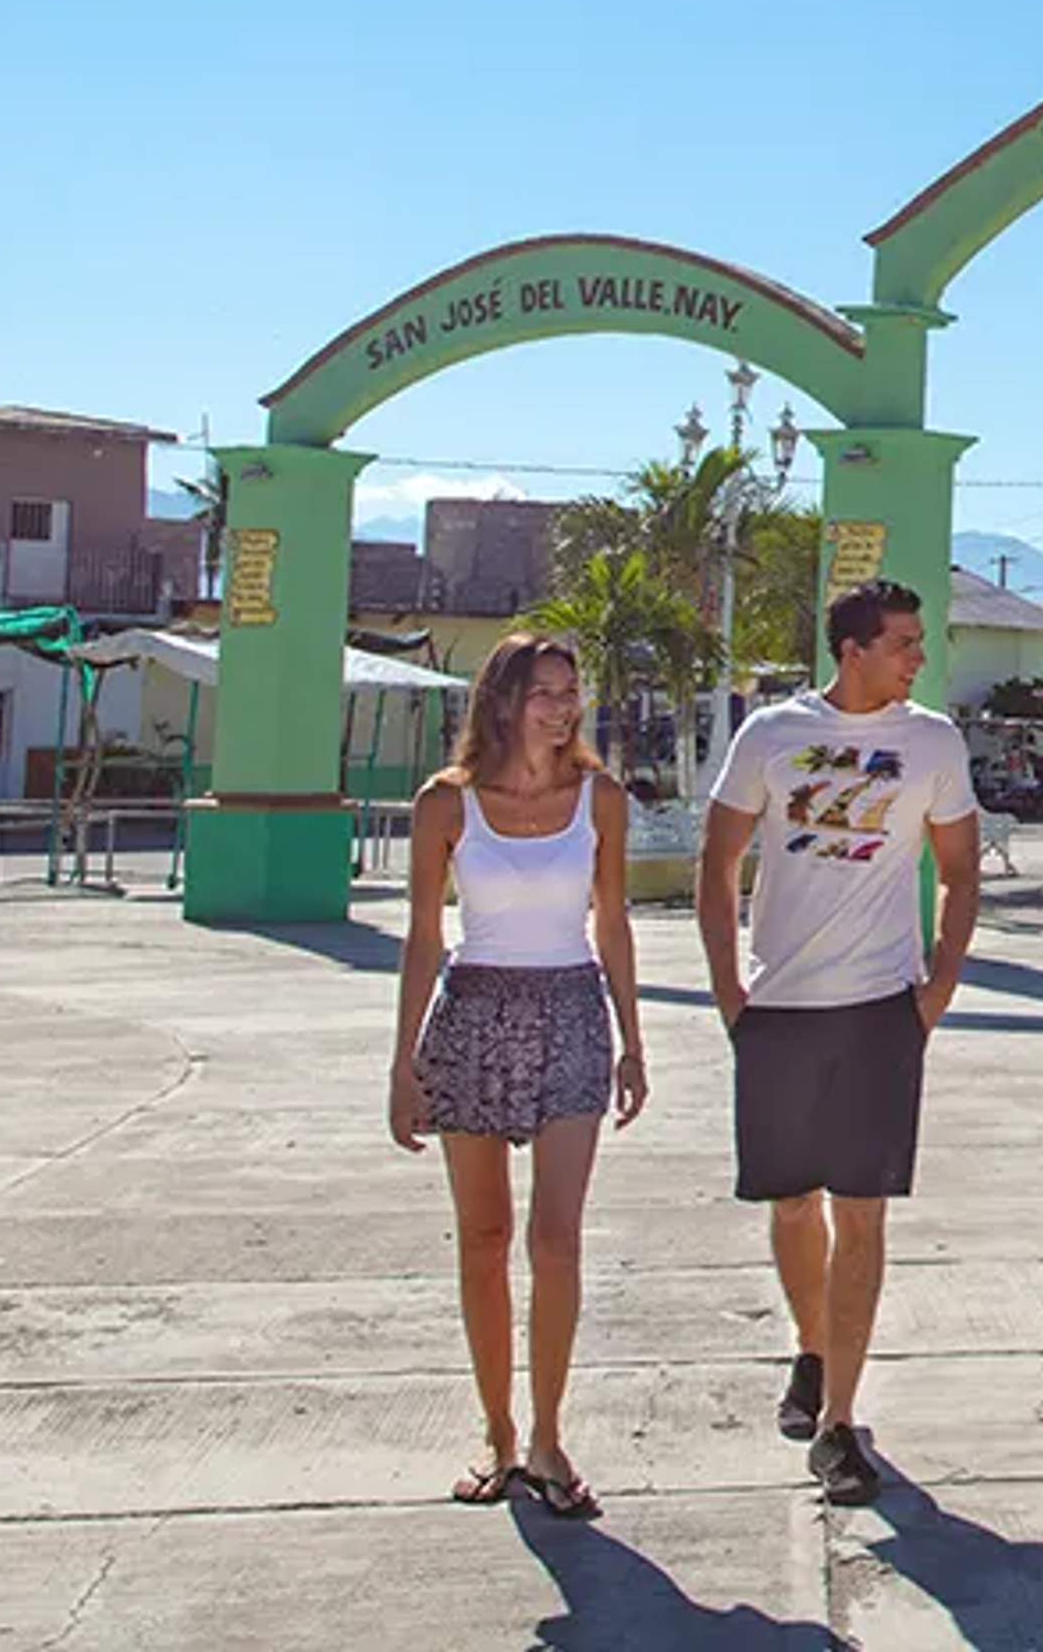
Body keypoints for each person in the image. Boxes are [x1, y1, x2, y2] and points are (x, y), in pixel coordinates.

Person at [700, 578, 983, 1510]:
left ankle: (841, 1424)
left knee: (863, 1210)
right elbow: (718, 861)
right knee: (792, 1204)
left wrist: (935, 990)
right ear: (853, 649)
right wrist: (729, 991)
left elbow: (959, 870)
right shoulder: (770, 736)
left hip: (879, 1011)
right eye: (904, 642)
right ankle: (814, 1351)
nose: (918, 659)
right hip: (779, 1006)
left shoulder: (933, 741)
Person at [388, 633, 647, 1518]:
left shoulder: (600, 799)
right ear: (502, 701)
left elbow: (613, 924)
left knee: (557, 1241)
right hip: (472, 1014)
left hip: (573, 1011)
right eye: (545, 692)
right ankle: (497, 1433)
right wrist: (403, 1063)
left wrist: (633, 1039)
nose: (563, 706)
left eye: (571, 690)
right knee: (485, 1239)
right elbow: (425, 938)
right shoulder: (444, 805)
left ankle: (548, 1436)